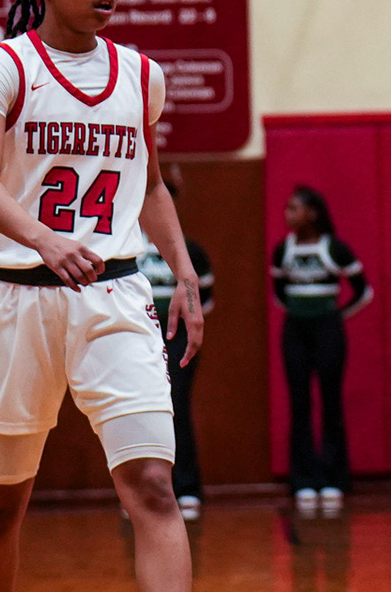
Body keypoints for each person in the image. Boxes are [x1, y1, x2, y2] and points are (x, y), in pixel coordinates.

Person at [0, 0, 205, 592]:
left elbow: (150, 185)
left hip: (115, 296)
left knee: (153, 486)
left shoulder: (142, 76)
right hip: (17, 299)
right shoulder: (6, 66)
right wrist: (44, 239)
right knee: (2, 503)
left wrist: (183, 270)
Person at [271, 185, 372, 515]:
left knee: (331, 401)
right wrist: (299, 313)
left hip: (328, 330)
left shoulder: (335, 248)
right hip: (295, 332)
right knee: (299, 403)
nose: (287, 214)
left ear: (312, 213)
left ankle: (333, 478)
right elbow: (278, 292)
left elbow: (363, 291)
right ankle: (303, 479)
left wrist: (335, 316)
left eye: (294, 208)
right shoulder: (282, 250)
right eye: (287, 208)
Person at [137, 170, 214, 520]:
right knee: (136, 411)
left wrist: (187, 319)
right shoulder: (128, 249)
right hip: (137, 335)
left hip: (176, 337)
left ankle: (186, 487)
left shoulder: (188, 251)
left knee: (177, 407)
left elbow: (203, 298)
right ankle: (142, 489)